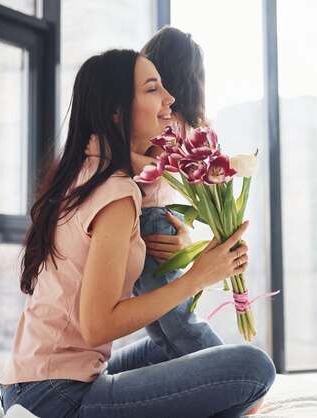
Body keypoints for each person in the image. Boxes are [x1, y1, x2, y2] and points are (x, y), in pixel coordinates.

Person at [0, 48, 275, 417]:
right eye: (152, 89)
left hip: (29, 382)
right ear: (116, 111)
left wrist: (189, 248)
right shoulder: (116, 192)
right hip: (56, 398)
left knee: (172, 347)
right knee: (254, 368)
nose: (170, 99)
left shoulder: (85, 171)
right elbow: (98, 326)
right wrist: (195, 278)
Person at [86, 26, 224, 358]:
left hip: (152, 219)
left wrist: (103, 151)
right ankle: (212, 377)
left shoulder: (164, 120)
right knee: (166, 324)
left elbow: (155, 167)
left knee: (173, 320)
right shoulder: (187, 124)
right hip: (158, 218)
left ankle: (226, 368)